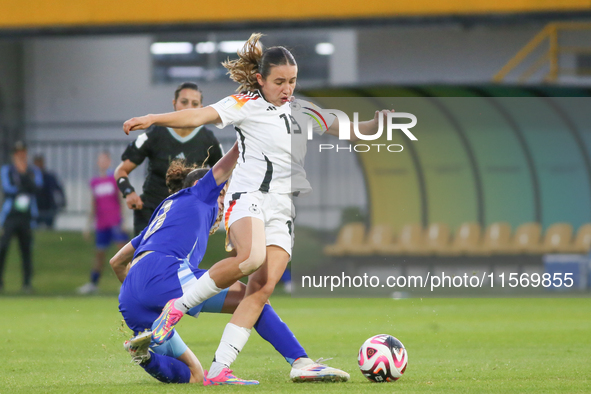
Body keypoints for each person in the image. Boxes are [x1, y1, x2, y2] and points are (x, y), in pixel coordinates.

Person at [123, 33, 386, 382]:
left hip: (281, 208)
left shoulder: (303, 110)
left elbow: (350, 130)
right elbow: (198, 115)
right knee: (250, 259)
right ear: (261, 79)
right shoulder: (245, 103)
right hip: (248, 197)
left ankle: (226, 369)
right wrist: (154, 118)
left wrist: (377, 125)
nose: (287, 88)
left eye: (292, 81)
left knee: (260, 290)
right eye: (279, 81)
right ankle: (178, 307)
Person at [111, 144, 336, 385]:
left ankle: (143, 356)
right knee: (255, 297)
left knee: (195, 375)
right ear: (203, 186)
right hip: (165, 272)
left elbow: (117, 262)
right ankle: (301, 361)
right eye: (223, 193)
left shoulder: (164, 212)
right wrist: (254, 132)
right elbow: (232, 158)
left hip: (130, 293)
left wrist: (144, 292)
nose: (225, 200)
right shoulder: (200, 193)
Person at [115, 82, 224, 236]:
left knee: (179, 260)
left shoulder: (208, 140)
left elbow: (226, 174)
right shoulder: (155, 134)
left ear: (201, 108)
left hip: (188, 215)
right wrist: (128, 192)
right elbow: (121, 170)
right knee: (145, 258)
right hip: (152, 211)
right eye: (184, 102)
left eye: (195, 104)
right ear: (174, 104)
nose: (189, 108)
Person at [78, 151, 128, 295]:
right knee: (99, 254)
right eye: (100, 160)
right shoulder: (94, 182)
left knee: (122, 253)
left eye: (105, 160)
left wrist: (124, 220)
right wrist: (88, 225)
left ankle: (127, 282)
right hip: (101, 223)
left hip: (115, 222)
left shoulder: (114, 179)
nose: (103, 162)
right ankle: (93, 283)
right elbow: (93, 205)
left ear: (109, 161)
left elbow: (120, 199)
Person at [0, 141, 43, 293]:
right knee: (3, 246)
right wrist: (24, 184)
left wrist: (24, 175)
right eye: (17, 153)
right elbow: (9, 189)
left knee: (26, 249)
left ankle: (27, 283)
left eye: (22, 152)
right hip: (11, 215)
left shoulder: (32, 170)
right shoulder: (7, 170)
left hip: (26, 215)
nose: (20, 155)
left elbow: (37, 187)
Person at [33, 154, 66, 229]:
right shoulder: (31, 177)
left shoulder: (49, 176)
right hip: (36, 206)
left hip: (49, 206)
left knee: (49, 228)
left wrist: (63, 201)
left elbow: (59, 189)